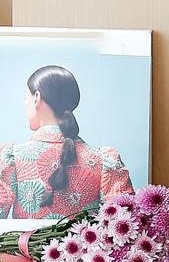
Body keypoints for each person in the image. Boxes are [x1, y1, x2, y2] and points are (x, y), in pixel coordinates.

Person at [0, 65, 134, 220]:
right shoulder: (105, 160)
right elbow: (124, 223)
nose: (24, 105)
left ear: (36, 97)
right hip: (84, 237)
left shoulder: (12, 157)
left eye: (25, 98)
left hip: (24, 238)